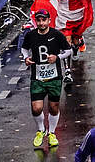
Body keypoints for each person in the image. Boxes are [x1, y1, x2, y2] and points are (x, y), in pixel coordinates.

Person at [21, 9, 73, 148]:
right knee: (36, 108)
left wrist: (57, 57)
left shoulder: (56, 35)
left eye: (44, 20)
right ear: (36, 21)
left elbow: (68, 51)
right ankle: (40, 130)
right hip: (37, 77)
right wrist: (26, 58)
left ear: (49, 20)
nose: (41, 23)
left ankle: (51, 132)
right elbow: (24, 48)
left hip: (54, 77)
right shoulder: (31, 35)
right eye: (38, 20)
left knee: (53, 107)